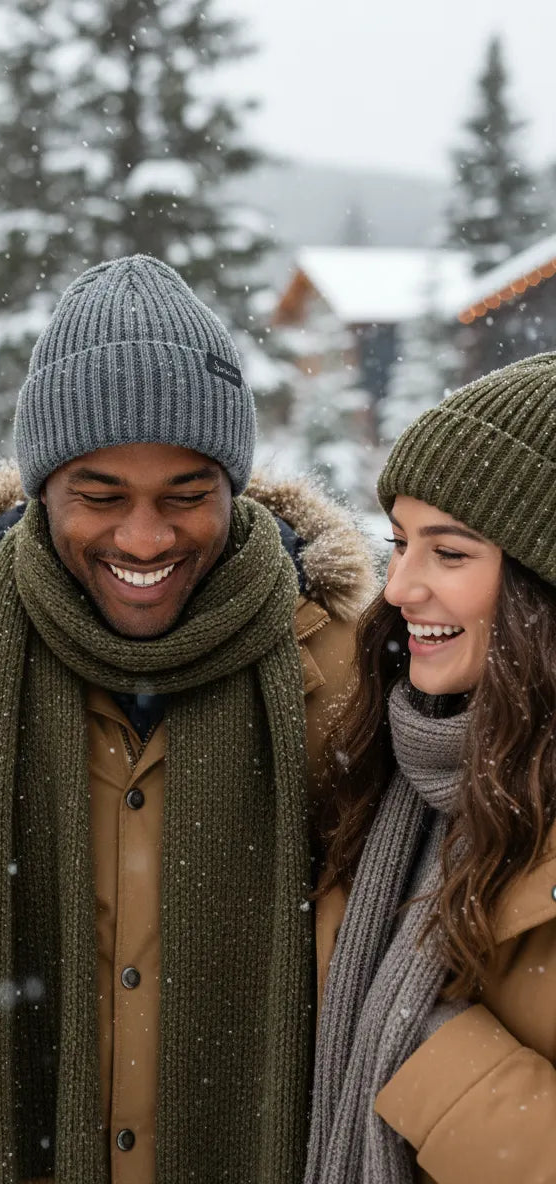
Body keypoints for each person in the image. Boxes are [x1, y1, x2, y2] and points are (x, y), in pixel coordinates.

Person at [0, 254, 373, 1184]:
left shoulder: (348, 673)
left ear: (236, 487)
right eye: (99, 498)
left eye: (186, 498)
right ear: (39, 494)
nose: (144, 540)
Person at [308, 352, 556, 1184]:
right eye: (399, 543)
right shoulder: (401, 763)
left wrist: (428, 1056)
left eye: (449, 554)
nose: (400, 585)